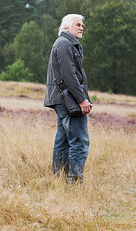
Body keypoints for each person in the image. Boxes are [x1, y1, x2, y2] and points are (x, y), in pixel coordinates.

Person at [44, 14, 93, 184]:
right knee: (80, 141)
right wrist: (82, 99)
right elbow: (69, 75)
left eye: (82, 25)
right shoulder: (65, 43)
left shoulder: (65, 43)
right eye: (78, 25)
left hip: (63, 100)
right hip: (69, 101)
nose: (81, 28)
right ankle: (74, 181)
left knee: (63, 141)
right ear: (67, 28)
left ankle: (59, 180)